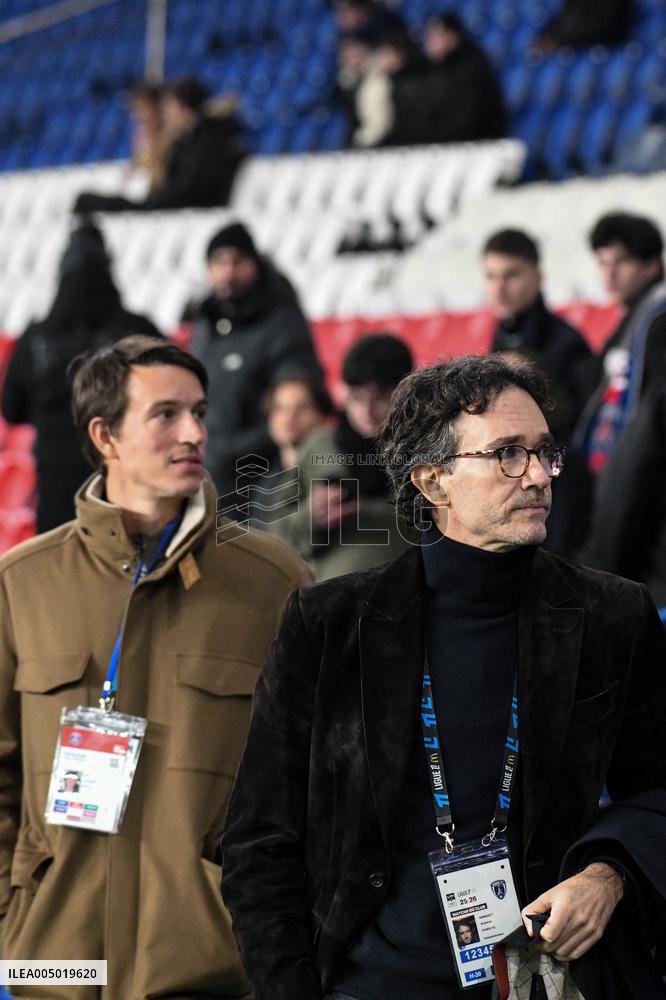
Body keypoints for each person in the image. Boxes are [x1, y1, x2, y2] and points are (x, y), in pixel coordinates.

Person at [222, 354, 666, 1000]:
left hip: (556, 985)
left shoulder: (611, 618)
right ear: (434, 481)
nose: (538, 475)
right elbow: (260, 840)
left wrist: (609, 873)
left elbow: (658, 789)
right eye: (508, 454)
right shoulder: (329, 626)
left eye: (546, 452)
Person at [0, 335, 310, 999]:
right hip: (49, 966)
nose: (194, 432)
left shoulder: (272, 582)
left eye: (199, 412)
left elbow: (316, 778)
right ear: (105, 435)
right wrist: (13, 919)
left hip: (210, 963)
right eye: (166, 414)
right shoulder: (22, 583)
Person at [1, 218, 160, 532]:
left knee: (61, 566)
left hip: (55, 478)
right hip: (118, 473)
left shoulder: (36, 337)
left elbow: (11, 408)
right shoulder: (134, 330)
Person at [188, 221, 320, 500]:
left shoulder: (282, 323)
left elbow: (294, 396)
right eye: (219, 262)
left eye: (237, 261)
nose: (228, 272)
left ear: (254, 264)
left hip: (265, 472)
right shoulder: (206, 323)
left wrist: (240, 448)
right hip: (211, 468)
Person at [483, 228, 595, 555]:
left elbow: (575, 431)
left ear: (538, 276)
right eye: (490, 276)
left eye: (511, 275)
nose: (498, 288)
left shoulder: (567, 344)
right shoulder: (500, 337)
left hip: (558, 499)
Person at [271, 333, 415, 580]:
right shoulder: (320, 446)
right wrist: (312, 517)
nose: (366, 411)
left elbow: (443, 523)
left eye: (380, 398)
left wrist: (362, 511)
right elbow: (274, 533)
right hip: (330, 596)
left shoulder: (425, 445)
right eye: (357, 398)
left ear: (405, 393)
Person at [575, 212, 666, 479]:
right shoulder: (635, 318)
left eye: (622, 262)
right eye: (602, 263)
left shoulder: (657, 321)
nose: (610, 274)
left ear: (652, 265)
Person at [73, 76, 245, 213]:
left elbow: (183, 187)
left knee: (87, 202)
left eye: (169, 107)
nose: (167, 114)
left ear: (182, 108)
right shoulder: (190, 139)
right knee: (85, 201)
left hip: (172, 206)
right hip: (164, 202)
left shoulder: (201, 142)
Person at [422, 12, 507, 145]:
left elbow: (467, 121)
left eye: (437, 36)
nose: (431, 43)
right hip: (452, 143)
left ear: (453, 37)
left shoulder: (473, 69)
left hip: (481, 145)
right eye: (430, 37)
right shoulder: (435, 70)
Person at [534, 0, 633, 53]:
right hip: (572, 41)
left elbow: (607, 25)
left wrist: (560, 41)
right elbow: (565, 19)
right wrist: (549, 38)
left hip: (602, 45)